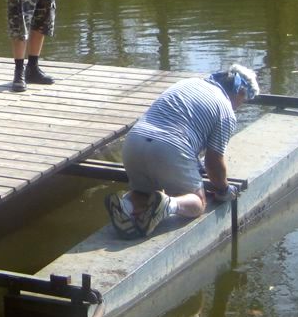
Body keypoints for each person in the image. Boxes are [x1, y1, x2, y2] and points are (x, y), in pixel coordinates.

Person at [105, 64, 260, 239]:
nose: (240, 106)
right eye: (244, 101)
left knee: (144, 193)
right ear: (239, 92)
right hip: (169, 149)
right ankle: (168, 205)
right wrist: (223, 189)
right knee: (197, 203)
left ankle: (126, 205)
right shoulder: (226, 111)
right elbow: (213, 162)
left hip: (134, 142)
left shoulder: (188, 83)